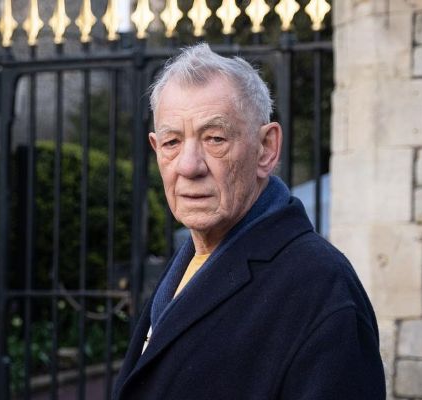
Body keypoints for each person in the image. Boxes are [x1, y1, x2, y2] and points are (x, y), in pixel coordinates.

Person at [112, 44, 385, 399]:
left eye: (215, 139)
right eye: (172, 142)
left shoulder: (321, 287)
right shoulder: (193, 258)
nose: (188, 166)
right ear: (155, 147)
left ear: (266, 149)